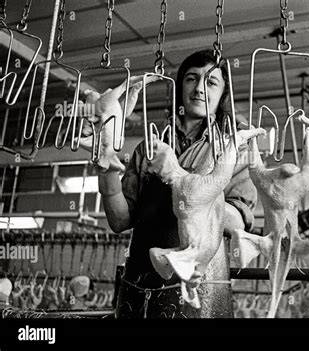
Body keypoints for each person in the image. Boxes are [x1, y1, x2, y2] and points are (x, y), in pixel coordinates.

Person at [98, 49, 258, 318]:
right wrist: (105, 166)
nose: (199, 89)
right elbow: (120, 220)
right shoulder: (150, 145)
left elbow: (237, 222)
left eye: (211, 82)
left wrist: (176, 174)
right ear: (180, 86)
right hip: (138, 289)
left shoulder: (234, 148)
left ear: (223, 96)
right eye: (191, 78)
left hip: (200, 292)